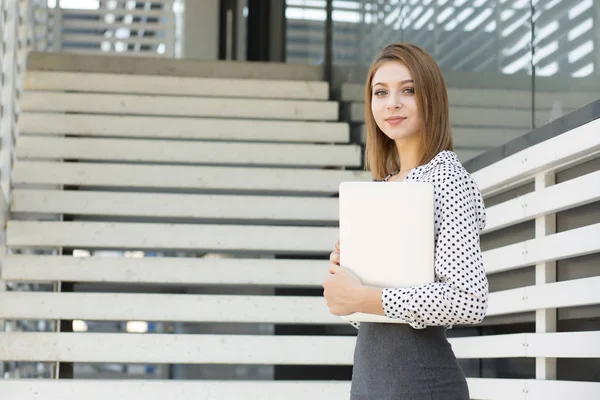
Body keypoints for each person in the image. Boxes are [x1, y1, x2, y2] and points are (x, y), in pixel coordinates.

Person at [322, 43, 489, 400]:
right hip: (370, 380)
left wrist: (365, 295)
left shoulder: (447, 179)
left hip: (418, 382)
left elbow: (468, 299)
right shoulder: (382, 189)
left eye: (408, 90)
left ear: (431, 98)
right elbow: (371, 314)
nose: (392, 103)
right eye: (380, 92)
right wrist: (348, 282)